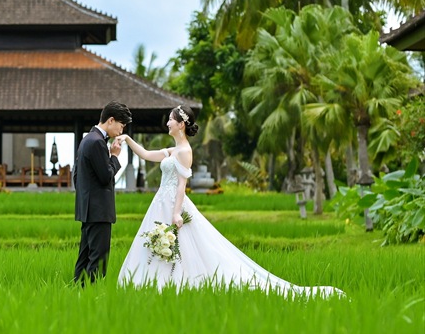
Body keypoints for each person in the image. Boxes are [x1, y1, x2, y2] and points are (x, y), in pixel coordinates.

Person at [116, 105, 343, 297]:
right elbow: (146, 154)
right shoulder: (172, 151)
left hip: (173, 204)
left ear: (181, 124)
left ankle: (177, 284)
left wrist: (176, 213)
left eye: (171, 120)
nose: (167, 123)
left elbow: (181, 187)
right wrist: (127, 139)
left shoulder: (185, 152)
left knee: (182, 247)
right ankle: (156, 284)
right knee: (162, 244)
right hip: (160, 203)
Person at [73, 101, 132, 285]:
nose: (121, 130)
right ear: (111, 120)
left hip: (88, 209)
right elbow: (106, 176)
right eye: (121, 125)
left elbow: (76, 176)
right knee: (98, 259)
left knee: (85, 257)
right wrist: (114, 156)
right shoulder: (98, 142)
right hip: (99, 211)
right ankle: (92, 295)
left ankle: (78, 295)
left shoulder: (87, 139)